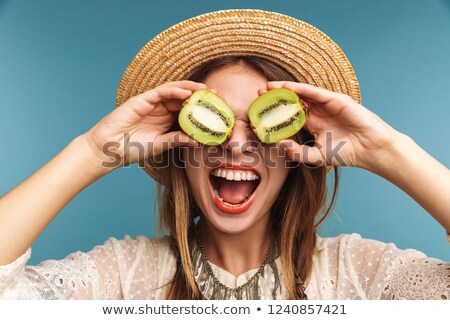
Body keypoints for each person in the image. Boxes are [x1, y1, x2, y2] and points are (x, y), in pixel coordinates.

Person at [0, 9, 449, 300]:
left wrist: (387, 151)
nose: (236, 144)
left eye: (263, 123)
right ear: (181, 142)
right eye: (215, 122)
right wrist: (92, 150)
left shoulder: (363, 275)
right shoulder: (119, 274)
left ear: (298, 149)